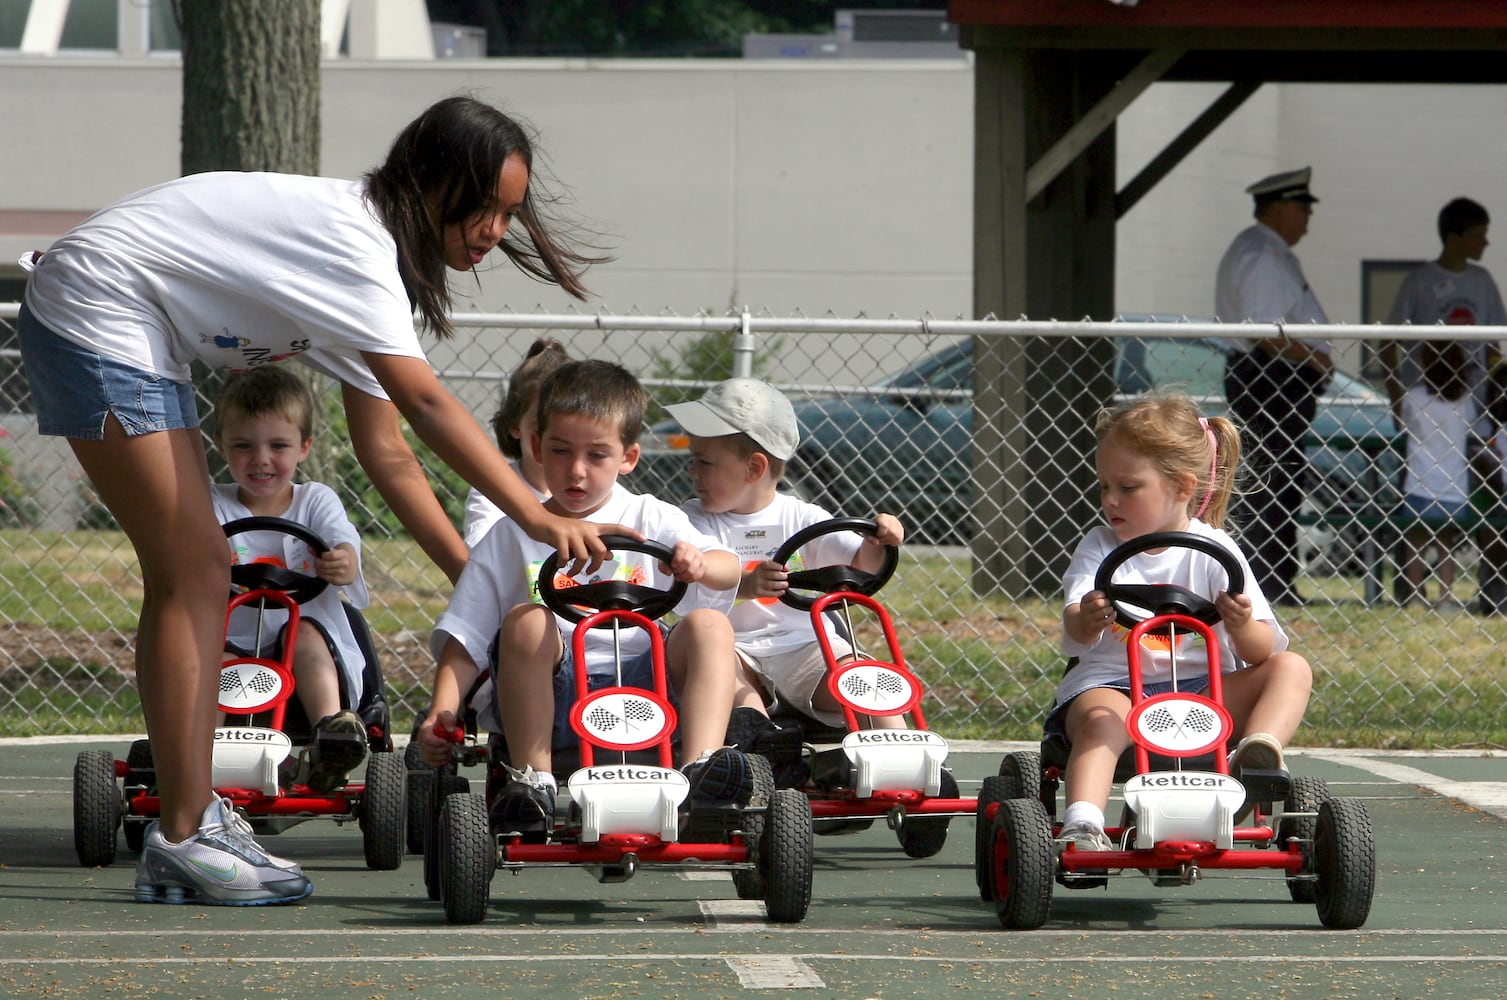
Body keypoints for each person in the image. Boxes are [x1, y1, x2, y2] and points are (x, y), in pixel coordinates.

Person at [16, 95, 629, 906]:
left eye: (510, 214)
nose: (496, 231)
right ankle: (182, 832)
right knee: (195, 570)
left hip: (127, 316)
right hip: (95, 307)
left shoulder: (371, 266)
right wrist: (536, 514)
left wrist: (478, 578)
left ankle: (192, 819)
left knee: (200, 570)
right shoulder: (360, 248)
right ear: (436, 183)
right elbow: (428, 404)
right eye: (486, 207)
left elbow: (387, 451)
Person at [416, 359, 752, 841]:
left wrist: (698, 562)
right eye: (560, 451)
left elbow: (729, 566)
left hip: (647, 685)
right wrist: (442, 710)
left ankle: (700, 771)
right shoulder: (513, 533)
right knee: (528, 619)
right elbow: (465, 635)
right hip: (553, 696)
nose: (576, 471)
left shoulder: (649, 515)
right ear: (535, 446)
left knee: (709, 626)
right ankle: (534, 782)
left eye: (597, 455)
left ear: (628, 457)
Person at [1054, 394, 1313, 852]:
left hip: (1203, 689)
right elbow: (1075, 631)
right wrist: (1089, 618)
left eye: (1128, 487)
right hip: (1116, 688)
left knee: (1291, 667)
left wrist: (1240, 623)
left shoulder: (1216, 549)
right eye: (1104, 487)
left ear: (1181, 486)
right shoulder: (1098, 546)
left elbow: (1261, 651)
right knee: (1100, 723)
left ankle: (1255, 754)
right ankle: (1084, 826)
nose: (1110, 500)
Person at [664, 377, 906, 749]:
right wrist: (744, 585)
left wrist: (879, 541)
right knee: (727, 676)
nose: (691, 471)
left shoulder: (803, 517)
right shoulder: (694, 519)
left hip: (804, 648)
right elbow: (684, 589)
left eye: (704, 462)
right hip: (735, 652)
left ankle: (905, 757)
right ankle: (763, 738)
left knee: (866, 678)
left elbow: (858, 570)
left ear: (754, 468)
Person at [211, 366, 373, 793]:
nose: (261, 459)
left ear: (304, 448)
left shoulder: (314, 499)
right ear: (221, 447)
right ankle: (201, 755)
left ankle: (329, 737)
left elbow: (341, 539)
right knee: (211, 662)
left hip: (304, 636)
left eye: (278, 446)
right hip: (233, 637)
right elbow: (191, 549)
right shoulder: (214, 503)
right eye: (244, 446)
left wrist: (343, 561)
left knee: (302, 638)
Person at [1215, 166, 1333, 607]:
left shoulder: (1270, 250)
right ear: (1280, 208)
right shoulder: (1262, 253)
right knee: (1273, 479)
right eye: (1302, 207)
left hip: (1278, 375)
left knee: (1280, 476)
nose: (1307, 217)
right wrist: (1315, 356)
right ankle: (1268, 582)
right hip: (1272, 375)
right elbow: (1266, 330)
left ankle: (1274, 580)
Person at [1381, 197, 1507, 611]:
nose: (1486, 241)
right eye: (1477, 234)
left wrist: (1490, 400)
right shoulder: (1419, 283)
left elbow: (1494, 346)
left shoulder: (1483, 282)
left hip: (1470, 406)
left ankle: (1492, 589)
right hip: (1426, 401)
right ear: (1453, 237)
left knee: (1483, 499)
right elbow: (1388, 341)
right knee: (1422, 510)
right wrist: (1398, 393)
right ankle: (1413, 590)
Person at [462, 338, 571, 548]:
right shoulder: (493, 490)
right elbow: (482, 554)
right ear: (515, 425)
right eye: (541, 424)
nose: (553, 436)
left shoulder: (599, 488)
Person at [1395, 341, 1478, 613]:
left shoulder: (1414, 397)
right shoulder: (1465, 400)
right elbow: (1473, 427)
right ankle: (1445, 599)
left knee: (1416, 542)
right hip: (1454, 489)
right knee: (1445, 544)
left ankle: (1417, 596)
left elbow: (1403, 424)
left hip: (1419, 483)